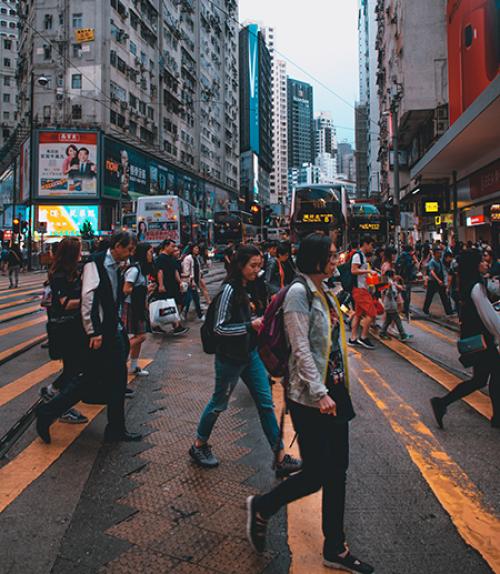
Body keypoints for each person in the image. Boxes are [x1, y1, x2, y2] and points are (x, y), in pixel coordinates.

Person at [246, 233, 374, 574]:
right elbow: (301, 348)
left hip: (333, 393)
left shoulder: (325, 292)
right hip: (310, 397)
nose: (336, 260)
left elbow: (331, 345)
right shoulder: (300, 294)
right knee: (318, 473)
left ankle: (335, 547)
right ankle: (262, 506)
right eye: (331, 255)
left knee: (338, 472)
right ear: (316, 259)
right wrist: (319, 393)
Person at [189, 244, 301, 478]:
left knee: (265, 403)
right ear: (240, 265)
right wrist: (249, 325)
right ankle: (199, 445)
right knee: (219, 403)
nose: (257, 270)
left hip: (250, 354)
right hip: (230, 358)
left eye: (259, 265)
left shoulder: (249, 287)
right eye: (253, 266)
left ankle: (280, 457)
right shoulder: (229, 290)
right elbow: (219, 328)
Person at [36, 232, 143, 443]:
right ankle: (48, 412)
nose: (130, 254)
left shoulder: (117, 266)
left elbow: (111, 297)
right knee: (88, 381)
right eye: (129, 249)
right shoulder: (96, 263)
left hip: (113, 330)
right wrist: (93, 331)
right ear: (118, 246)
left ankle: (116, 429)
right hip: (102, 334)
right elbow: (89, 298)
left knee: (116, 381)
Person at [430, 250, 500, 429]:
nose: (486, 264)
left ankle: (442, 403)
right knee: (493, 376)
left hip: (477, 340)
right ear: (474, 264)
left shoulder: (468, 284)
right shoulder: (476, 287)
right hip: (484, 341)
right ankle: (497, 418)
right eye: (482, 261)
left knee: (480, 380)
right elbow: (488, 317)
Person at [39, 237, 88, 424]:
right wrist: (89, 300)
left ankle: (52, 392)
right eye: (79, 250)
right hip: (64, 327)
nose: (81, 253)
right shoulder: (59, 274)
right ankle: (61, 406)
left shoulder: (73, 272)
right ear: (71, 253)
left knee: (73, 367)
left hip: (73, 326)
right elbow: (65, 304)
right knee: (73, 368)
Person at [122, 242, 153, 376]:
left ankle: (133, 366)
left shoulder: (142, 270)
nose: (152, 255)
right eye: (150, 252)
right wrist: (145, 289)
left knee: (139, 335)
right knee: (140, 337)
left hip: (139, 306)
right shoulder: (134, 270)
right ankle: (118, 355)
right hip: (131, 306)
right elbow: (126, 289)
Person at [348, 236, 377, 349]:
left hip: (361, 289)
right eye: (371, 245)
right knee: (372, 314)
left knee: (358, 315)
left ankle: (353, 338)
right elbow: (353, 270)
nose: (371, 248)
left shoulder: (363, 256)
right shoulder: (357, 255)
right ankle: (363, 337)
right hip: (359, 290)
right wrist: (368, 270)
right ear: (365, 244)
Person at [155, 239, 188, 336]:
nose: (174, 248)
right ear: (165, 246)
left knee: (176, 304)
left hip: (173, 285)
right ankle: (175, 326)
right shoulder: (161, 258)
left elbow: (175, 271)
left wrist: (180, 282)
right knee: (167, 305)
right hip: (166, 285)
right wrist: (161, 285)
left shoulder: (171, 258)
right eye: (172, 246)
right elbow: (159, 272)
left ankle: (176, 325)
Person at [379, 270, 412, 342]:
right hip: (391, 304)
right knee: (397, 320)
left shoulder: (389, 282)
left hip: (389, 304)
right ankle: (403, 335)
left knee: (388, 320)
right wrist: (394, 290)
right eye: (394, 274)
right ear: (392, 275)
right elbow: (390, 293)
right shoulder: (389, 283)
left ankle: (382, 332)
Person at [423, 247, 453, 316]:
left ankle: (449, 311)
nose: (440, 254)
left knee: (444, 296)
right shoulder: (432, 262)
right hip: (433, 282)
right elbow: (432, 272)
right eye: (439, 253)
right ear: (435, 254)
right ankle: (425, 309)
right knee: (429, 296)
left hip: (439, 281)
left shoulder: (440, 261)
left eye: (441, 253)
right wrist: (438, 280)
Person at [181, 244, 205, 321]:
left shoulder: (196, 258)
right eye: (195, 248)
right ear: (191, 249)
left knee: (189, 299)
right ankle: (200, 315)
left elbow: (197, 269)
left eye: (197, 248)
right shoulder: (188, 258)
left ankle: (183, 313)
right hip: (190, 283)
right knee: (193, 299)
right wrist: (191, 280)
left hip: (195, 282)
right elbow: (186, 271)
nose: (197, 250)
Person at [396, 244, 418, 319]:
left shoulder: (400, 256)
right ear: (410, 251)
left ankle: (404, 309)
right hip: (407, 278)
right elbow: (409, 267)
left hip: (401, 277)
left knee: (403, 293)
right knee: (407, 295)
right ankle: (406, 310)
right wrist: (414, 262)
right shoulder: (408, 257)